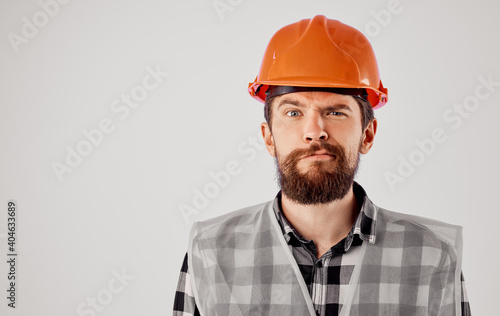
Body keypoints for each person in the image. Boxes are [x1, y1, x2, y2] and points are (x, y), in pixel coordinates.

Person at [173, 15, 471, 316]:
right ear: (269, 137)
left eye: (336, 112)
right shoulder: (210, 252)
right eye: (293, 113)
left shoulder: (432, 256)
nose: (315, 131)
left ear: (367, 135)